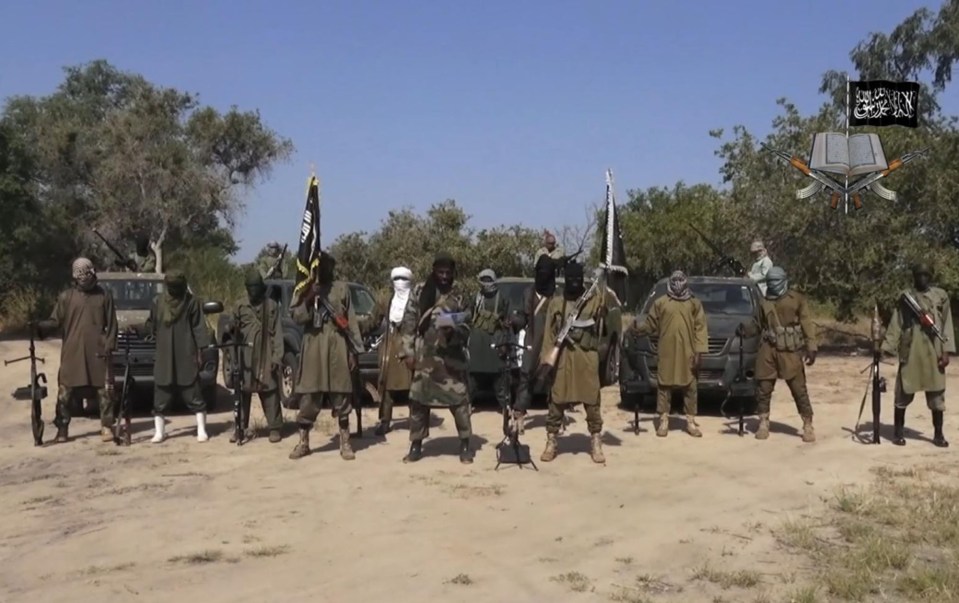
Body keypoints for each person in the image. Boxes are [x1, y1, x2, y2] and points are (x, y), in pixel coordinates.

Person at [399, 252, 474, 464]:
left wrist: (454, 332)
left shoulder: (459, 294)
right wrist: (408, 353)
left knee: (459, 402)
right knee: (418, 402)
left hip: (451, 359)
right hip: (424, 357)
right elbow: (409, 323)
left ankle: (466, 444)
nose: (443, 276)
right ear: (433, 271)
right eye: (440, 272)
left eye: (447, 273)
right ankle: (416, 444)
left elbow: (468, 324)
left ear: (453, 274)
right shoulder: (420, 291)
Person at [288, 253, 362, 460]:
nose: (323, 270)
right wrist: (310, 296)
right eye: (319, 267)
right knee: (309, 396)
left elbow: (351, 321)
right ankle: (303, 443)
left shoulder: (341, 288)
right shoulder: (304, 288)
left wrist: (354, 351)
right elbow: (295, 316)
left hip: (337, 344)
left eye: (326, 266)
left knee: (342, 395)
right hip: (313, 345)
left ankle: (345, 443)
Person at [37, 258, 118, 443]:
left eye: (87, 274)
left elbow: (112, 324)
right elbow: (55, 321)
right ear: (75, 277)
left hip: (98, 351)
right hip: (72, 352)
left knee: (104, 391)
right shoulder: (66, 297)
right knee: (65, 391)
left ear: (92, 273)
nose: (84, 279)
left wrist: (110, 345)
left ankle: (106, 426)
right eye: (80, 276)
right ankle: (62, 429)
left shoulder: (104, 296)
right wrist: (40, 326)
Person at [536, 261, 607, 463]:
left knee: (592, 400)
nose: (574, 283)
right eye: (570, 279)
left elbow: (604, 329)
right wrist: (546, 361)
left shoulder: (594, 300)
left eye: (578, 278)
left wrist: (603, 314)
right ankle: (551, 440)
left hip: (586, 357)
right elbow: (549, 335)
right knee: (556, 401)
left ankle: (595, 439)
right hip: (563, 357)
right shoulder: (557, 303)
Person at [736, 266, 817, 442]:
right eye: (770, 282)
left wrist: (811, 346)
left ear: (783, 280)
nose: (773, 285)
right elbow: (757, 324)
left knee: (799, 389)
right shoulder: (764, 301)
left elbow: (806, 323)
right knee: (763, 388)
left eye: (775, 281)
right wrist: (745, 330)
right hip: (768, 348)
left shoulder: (796, 299)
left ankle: (807, 424)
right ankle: (763, 422)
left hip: (790, 350)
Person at [881, 263, 954, 447]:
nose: (922, 278)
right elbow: (897, 322)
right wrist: (887, 346)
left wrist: (946, 350)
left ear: (930, 277)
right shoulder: (907, 297)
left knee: (937, 393)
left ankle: (938, 434)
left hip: (934, 347)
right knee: (904, 390)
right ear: (914, 277)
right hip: (911, 347)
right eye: (919, 275)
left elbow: (946, 324)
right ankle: (898, 432)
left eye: (926, 275)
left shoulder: (940, 296)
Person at [631, 270, 708, 437]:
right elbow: (651, 324)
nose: (678, 284)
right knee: (664, 386)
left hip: (688, 352)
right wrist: (639, 328)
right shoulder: (661, 303)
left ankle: (690, 420)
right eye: (675, 281)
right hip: (667, 351)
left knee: (690, 386)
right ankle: (664, 420)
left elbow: (700, 328)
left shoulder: (694, 303)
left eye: (681, 281)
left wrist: (700, 352)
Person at [147, 270, 212, 443]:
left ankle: (201, 429)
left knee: (193, 392)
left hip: (186, 352)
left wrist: (201, 351)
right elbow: (151, 325)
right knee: (161, 392)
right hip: (164, 353)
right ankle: (160, 432)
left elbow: (199, 328)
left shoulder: (192, 302)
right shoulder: (158, 302)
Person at [232, 270, 285, 443]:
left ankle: (275, 427)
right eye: (250, 287)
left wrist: (277, 357)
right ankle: (240, 428)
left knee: (270, 390)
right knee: (242, 392)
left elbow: (277, 333)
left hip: (266, 352)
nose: (253, 291)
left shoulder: (271, 305)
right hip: (246, 355)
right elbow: (233, 334)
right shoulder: (240, 306)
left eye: (256, 287)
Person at [366, 266, 416, 436]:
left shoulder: (415, 301)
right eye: (397, 279)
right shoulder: (386, 301)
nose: (400, 283)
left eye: (404, 279)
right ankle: (385, 421)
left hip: (410, 346)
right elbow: (372, 321)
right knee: (385, 386)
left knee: (414, 385)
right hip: (389, 346)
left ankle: (416, 420)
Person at [512, 254, 559, 425]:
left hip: (551, 342)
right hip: (532, 340)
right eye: (541, 271)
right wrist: (513, 322)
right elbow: (524, 317)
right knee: (526, 375)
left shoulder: (556, 295)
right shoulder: (529, 293)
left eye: (547, 271)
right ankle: (519, 413)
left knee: (553, 378)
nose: (544, 274)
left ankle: (556, 416)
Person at [467, 269, 513, 415]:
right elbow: (469, 315)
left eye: (489, 280)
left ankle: (505, 406)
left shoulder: (503, 297)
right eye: (484, 280)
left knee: (500, 377)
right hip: (477, 340)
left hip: (495, 339)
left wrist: (506, 339)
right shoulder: (476, 297)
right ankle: (468, 403)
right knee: (473, 376)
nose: (486, 283)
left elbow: (508, 319)